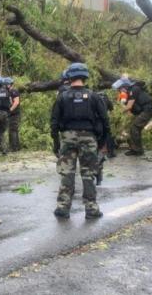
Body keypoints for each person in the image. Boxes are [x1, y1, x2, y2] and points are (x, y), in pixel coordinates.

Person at [50, 63, 110, 219]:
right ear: (85, 77)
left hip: (67, 138)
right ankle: (91, 209)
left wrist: (56, 142)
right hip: (89, 138)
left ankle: (63, 208)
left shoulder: (62, 97)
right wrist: (102, 142)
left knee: (67, 173)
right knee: (88, 174)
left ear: (69, 77)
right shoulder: (94, 96)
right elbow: (105, 121)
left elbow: (54, 121)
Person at [113, 77, 152, 156]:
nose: (119, 91)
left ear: (124, 87)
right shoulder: (128, 93)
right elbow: (130, 110)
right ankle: (135, 149)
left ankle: (137, 150)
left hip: (147, 110)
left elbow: (129, 106)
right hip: (142, 111)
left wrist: (117, 113)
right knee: (133, 128)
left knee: (135, 127)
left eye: (120, 89)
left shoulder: (134, 89)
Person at [4, 77, 21, 152]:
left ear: (9, 84)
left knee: (13, 130)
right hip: (11, 114)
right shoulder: (7, 92)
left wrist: (10, 110)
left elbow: (16, 102)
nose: (4, 86)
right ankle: (16, 147)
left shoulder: (14, 91)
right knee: (13, 130)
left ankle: (13, 147)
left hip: (14, 114)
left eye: (5, 84)